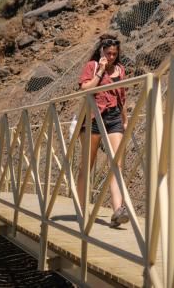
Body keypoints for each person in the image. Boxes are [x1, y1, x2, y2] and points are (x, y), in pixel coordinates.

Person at [77, 33, 130, 228]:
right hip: (93, 118)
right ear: (101, 51)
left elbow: (122, 96)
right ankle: (82, 209)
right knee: (87, 165)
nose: (111, 57)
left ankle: (118, 210)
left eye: (114, 54)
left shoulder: (120, 69)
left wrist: (125, 119)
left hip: (114, 118)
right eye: (108, 53)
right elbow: (86, 89)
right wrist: (99, 70)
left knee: (116, 164)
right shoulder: (91, 67)